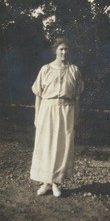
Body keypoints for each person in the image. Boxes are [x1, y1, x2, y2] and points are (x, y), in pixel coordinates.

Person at [30, 37, 84, 197]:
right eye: (61, 49)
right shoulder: (45, 69)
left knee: (62, 146)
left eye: (66, 49)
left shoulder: (74, 70)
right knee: (46, 145)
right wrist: (37, 116)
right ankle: (45, 182)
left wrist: (77, 117)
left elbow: (77, 98)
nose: (64, 52)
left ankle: (56, 183)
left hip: (67, 110)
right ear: (55, 51)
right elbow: (38, 96)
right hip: (47, 109)